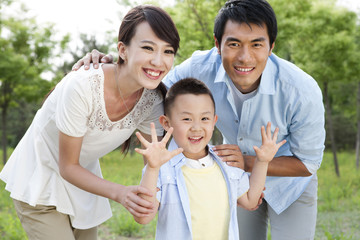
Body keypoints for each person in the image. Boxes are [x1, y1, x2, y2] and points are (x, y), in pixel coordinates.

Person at [73, 0, 326, 239]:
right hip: (234, 177)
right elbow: (151, 84)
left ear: (272, 46)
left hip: (291, 186)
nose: (245, 57)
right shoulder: (200, 67)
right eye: (234, 44)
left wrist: (249, 162)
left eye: (257, 45)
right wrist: (112, 67)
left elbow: (308, 163)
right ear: (217, 44)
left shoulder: (301, 90)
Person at [0, 5, 180, 240]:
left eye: (168, 51)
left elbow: (156, 160)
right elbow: (67, 166)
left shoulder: (152, 100)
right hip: (40, 180)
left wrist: (147, 198)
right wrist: (121, 193)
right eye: (148, 48)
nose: (158, 61)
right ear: (122, 50)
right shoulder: (82, 86)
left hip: (84, 184)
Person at [134, 78, 286, 240]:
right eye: (187, 119)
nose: (196, 127)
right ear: (166, 122)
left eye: (204, 119)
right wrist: (152, 168)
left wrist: (262, 162)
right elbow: (143, 217)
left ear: (214, 122)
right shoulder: (161, 168)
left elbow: (250, 200)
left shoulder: (225, 161)